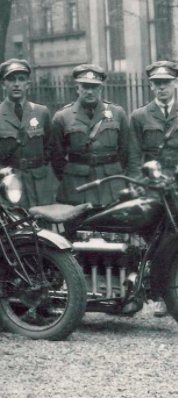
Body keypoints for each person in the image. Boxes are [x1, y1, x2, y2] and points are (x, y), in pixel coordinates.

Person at [125, 61, 178, 318]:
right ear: (150, 86)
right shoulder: (139, 116)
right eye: (157, 84)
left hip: (177, 185)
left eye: (166, 83)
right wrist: (138, 186)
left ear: (175, 83)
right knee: (155, 240)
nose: (161, 89)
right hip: (152, 187)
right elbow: (134, 157)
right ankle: (159, 295)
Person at [0, 59, 57, 208]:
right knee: (12, 227)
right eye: (11, 79)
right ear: (3, 84)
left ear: (28, 84)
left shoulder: (41, 112)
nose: (16, 84)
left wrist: (39, 168)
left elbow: (50, 147)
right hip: (9, 186)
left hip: (39, 185)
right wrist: (0, 173)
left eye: (21, 79)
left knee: (42, 228)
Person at [51, 64, 129, 206]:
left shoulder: (117, 113)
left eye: (94, 87)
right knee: (77, 226)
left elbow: (125, 151)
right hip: (76, 184)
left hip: (110, 183)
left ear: (100, 88)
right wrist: (71, 175)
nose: (90, 91)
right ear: (77, 88)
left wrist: (113, 170)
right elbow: (56, 156)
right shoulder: (63, 116)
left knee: (114, 224)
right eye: (85, 86)